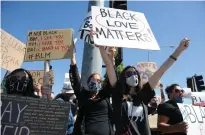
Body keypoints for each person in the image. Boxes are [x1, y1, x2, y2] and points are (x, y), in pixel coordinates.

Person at [111, 38, 190, 135]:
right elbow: (110, 70)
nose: (133, 75)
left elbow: (161, 71)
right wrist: (107, 54)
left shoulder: (143, 93)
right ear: (124, 78)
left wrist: (179, 50)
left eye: (135, 72)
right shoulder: (118, 96)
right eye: (129, 73)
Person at [70, 45, 116, 135]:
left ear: (101, 83)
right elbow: (76, 80)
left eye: (98, 80)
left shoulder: (104, 94)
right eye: (93, 80)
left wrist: (111, 58)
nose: (95, 82)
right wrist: (72, 59)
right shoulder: (83, 95)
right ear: (88, 82)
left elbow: (111, 78)